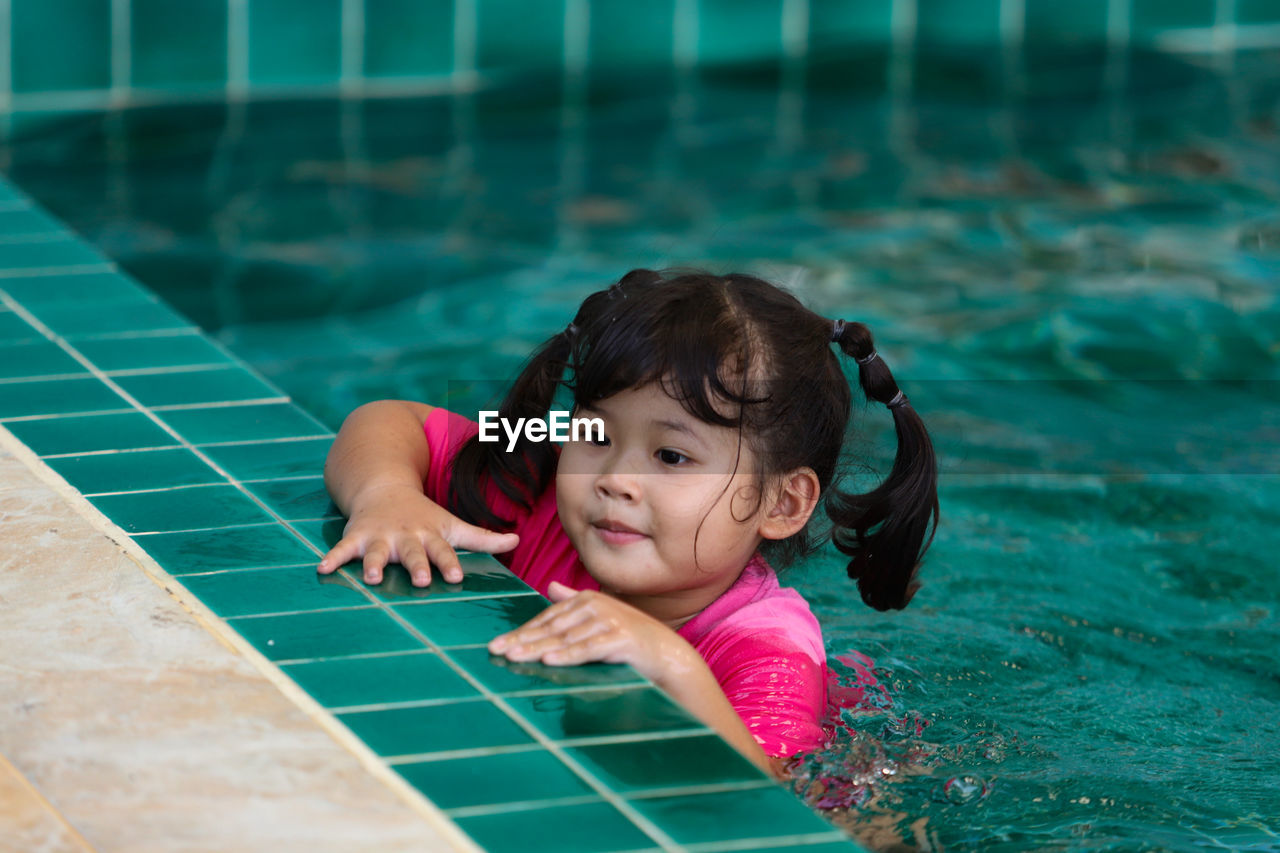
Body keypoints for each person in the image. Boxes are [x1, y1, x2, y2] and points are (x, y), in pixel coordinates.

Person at [317, 268, 938, 778]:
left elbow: (764, 795)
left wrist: (670, 661)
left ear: (781, 504)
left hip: (849, 778)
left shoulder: (766, 649)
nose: (614, 476)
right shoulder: (538, 487)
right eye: (597, 431)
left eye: (671, 456)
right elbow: (388, 419)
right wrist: (387, 495)